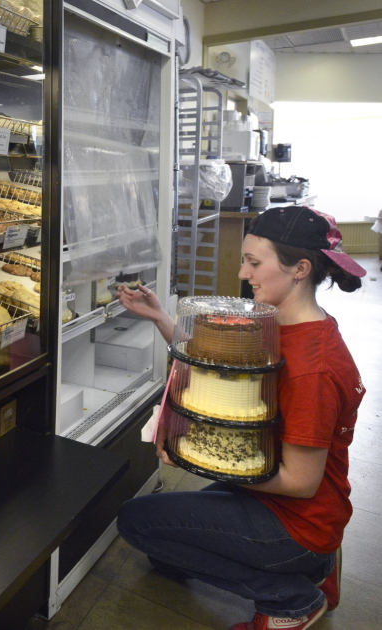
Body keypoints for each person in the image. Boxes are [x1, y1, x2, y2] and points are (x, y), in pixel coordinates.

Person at [114, 206, 367, 630]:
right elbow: (222, 361)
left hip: (298, 520)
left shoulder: (313, 369)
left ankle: (293, 598)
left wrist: (197, 458)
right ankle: (311, 568)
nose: (242, 271)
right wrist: (161, 317)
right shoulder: (281, 325)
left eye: (254, 262)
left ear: (299, 269)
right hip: (287, 505)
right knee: (165, 553)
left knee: (137, 523)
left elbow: (302, 483)